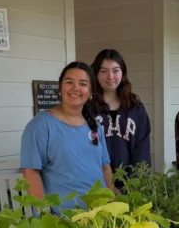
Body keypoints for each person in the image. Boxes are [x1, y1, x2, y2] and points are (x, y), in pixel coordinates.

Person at [20, 62, 116, 206]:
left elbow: (105, 168)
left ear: (90, 92)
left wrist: (113, 203)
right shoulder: (40, 126)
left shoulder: (95, 126)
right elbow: (30, 173)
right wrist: (46, 214)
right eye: (69, 82)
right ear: (60, 87)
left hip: (100, 217)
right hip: (63, 219)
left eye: (83, 84)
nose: (75, 88)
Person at [90, 49, 151, 172]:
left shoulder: (136, 108)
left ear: (123, 73)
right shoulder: (88, 108)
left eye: (115, 70)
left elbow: (142, 151)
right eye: (103, 71)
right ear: (95, 74)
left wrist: (132, 185)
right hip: (95, 183)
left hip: (130, 185)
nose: (110, 76)